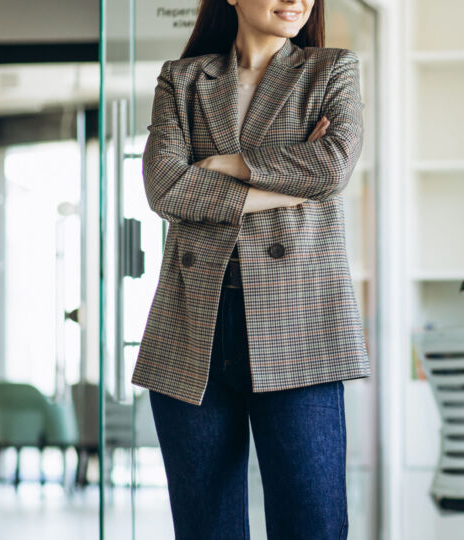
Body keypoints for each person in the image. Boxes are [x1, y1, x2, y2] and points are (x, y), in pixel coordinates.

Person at [130, 0, 370, 538]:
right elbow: (165, 186)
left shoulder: (331, 69)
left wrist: (225, 165)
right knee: (205, 529)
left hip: (299, 326)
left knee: (313, 524)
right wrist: (287, 190)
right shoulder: (183, 79)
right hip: (193, 325)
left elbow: (331, 166)